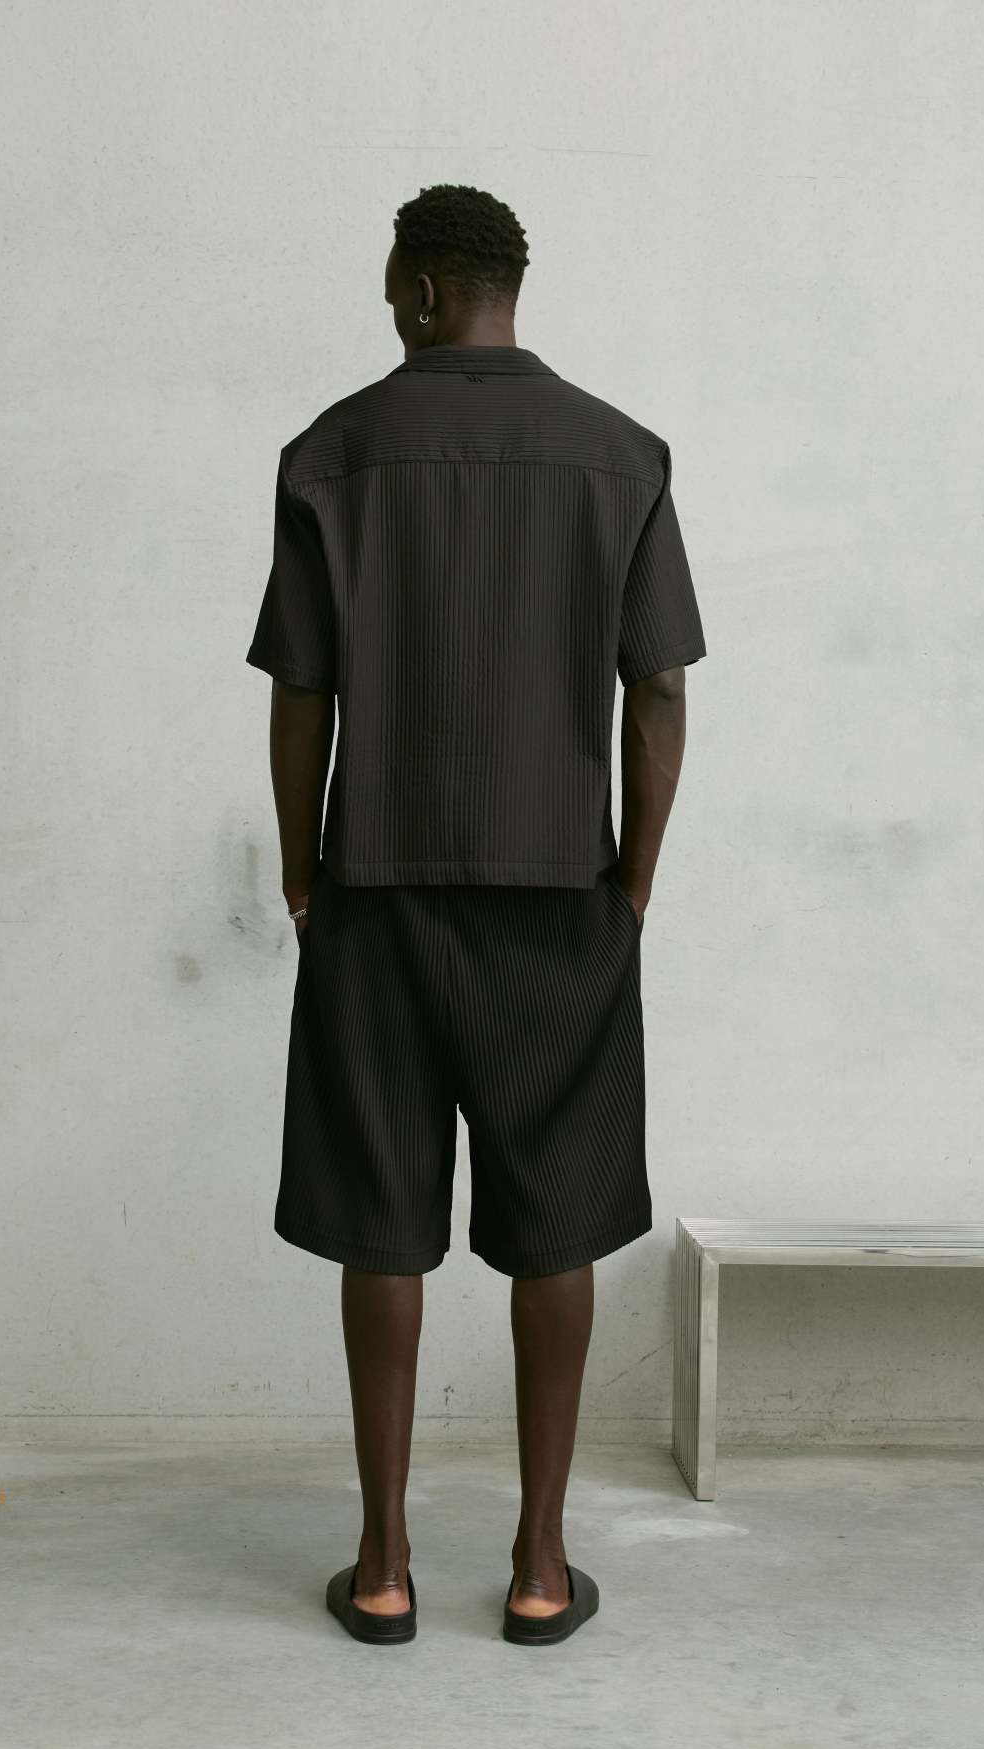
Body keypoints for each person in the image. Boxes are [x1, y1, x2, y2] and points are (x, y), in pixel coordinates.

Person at [245, 182, 704, 1646]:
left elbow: (303, 690)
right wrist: (631, 879)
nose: (389, 304)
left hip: (376, 893)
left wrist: (302, 871)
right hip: (558, 902)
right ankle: (539, 1566)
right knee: (553, 1222)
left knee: (381, 1227)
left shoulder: (331, 453)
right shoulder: (620, 454)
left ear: (429, 290)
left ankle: (383, 1566)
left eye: (395, 282)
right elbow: (659, 687)